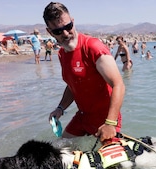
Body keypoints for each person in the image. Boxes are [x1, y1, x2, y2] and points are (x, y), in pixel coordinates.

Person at [43, 2, 125, 144]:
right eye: (58, 31)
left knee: (114, 165)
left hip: (105, 119)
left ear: (73, 22)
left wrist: (110, 123)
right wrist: (60, 108)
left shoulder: (93, 47)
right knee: (61, 150)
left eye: (68, 27)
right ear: (50, 32)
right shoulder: (62, 53)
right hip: (83, 117)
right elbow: (73, 85)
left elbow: (119, 85)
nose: (65, 33)